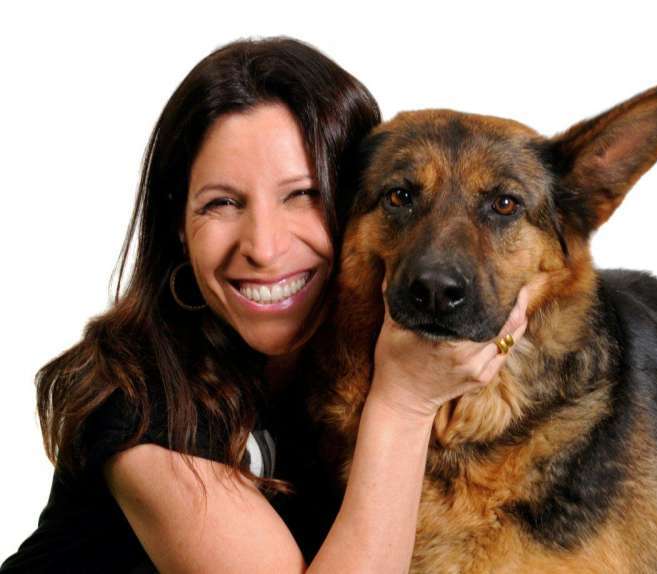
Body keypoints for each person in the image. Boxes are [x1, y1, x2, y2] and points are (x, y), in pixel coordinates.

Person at [1, 37, 530, 573]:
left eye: (303, 195)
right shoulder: (141, 405)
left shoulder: (349, 367)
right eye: (222, 203)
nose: (264, 247)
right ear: (179, 225)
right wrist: (403, 406)